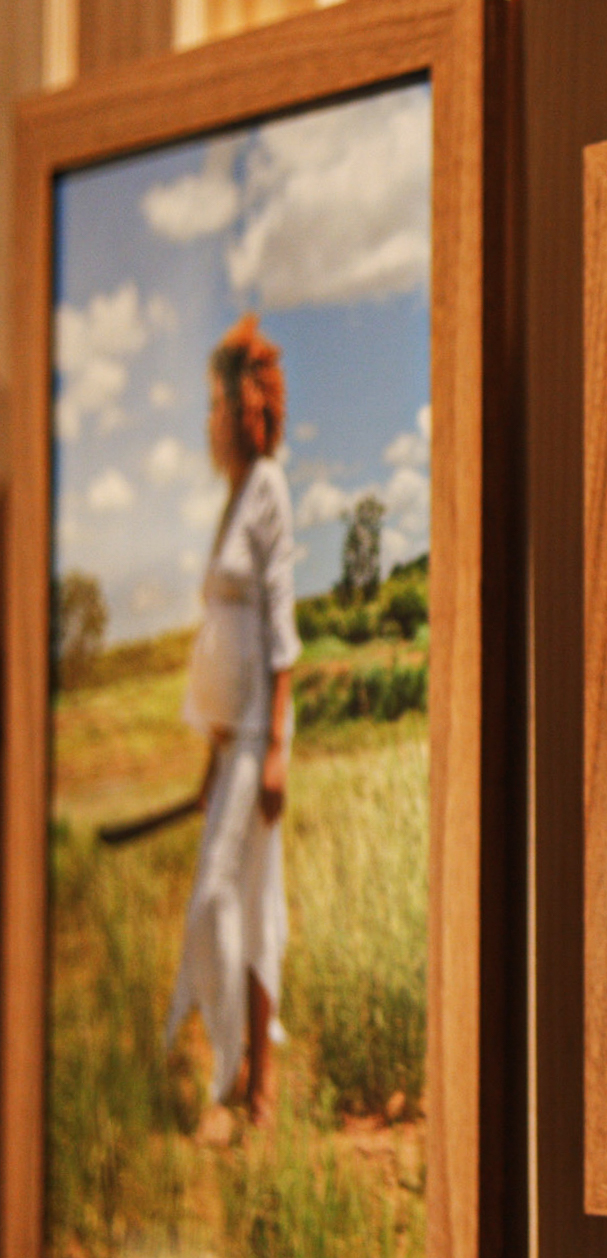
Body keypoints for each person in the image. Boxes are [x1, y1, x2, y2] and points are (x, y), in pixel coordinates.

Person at [164, 314, 299, 1139]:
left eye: (218, 405)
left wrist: (275, 749)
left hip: (262, 737)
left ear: (249, 410)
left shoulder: (270, 490)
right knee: (242, 903)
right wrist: (214, 750)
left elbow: (280, 630)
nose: (211, 420)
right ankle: (250, 1086)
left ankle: (238, 1074)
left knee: (228, 897)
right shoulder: (232, 499)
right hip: (233, 740)